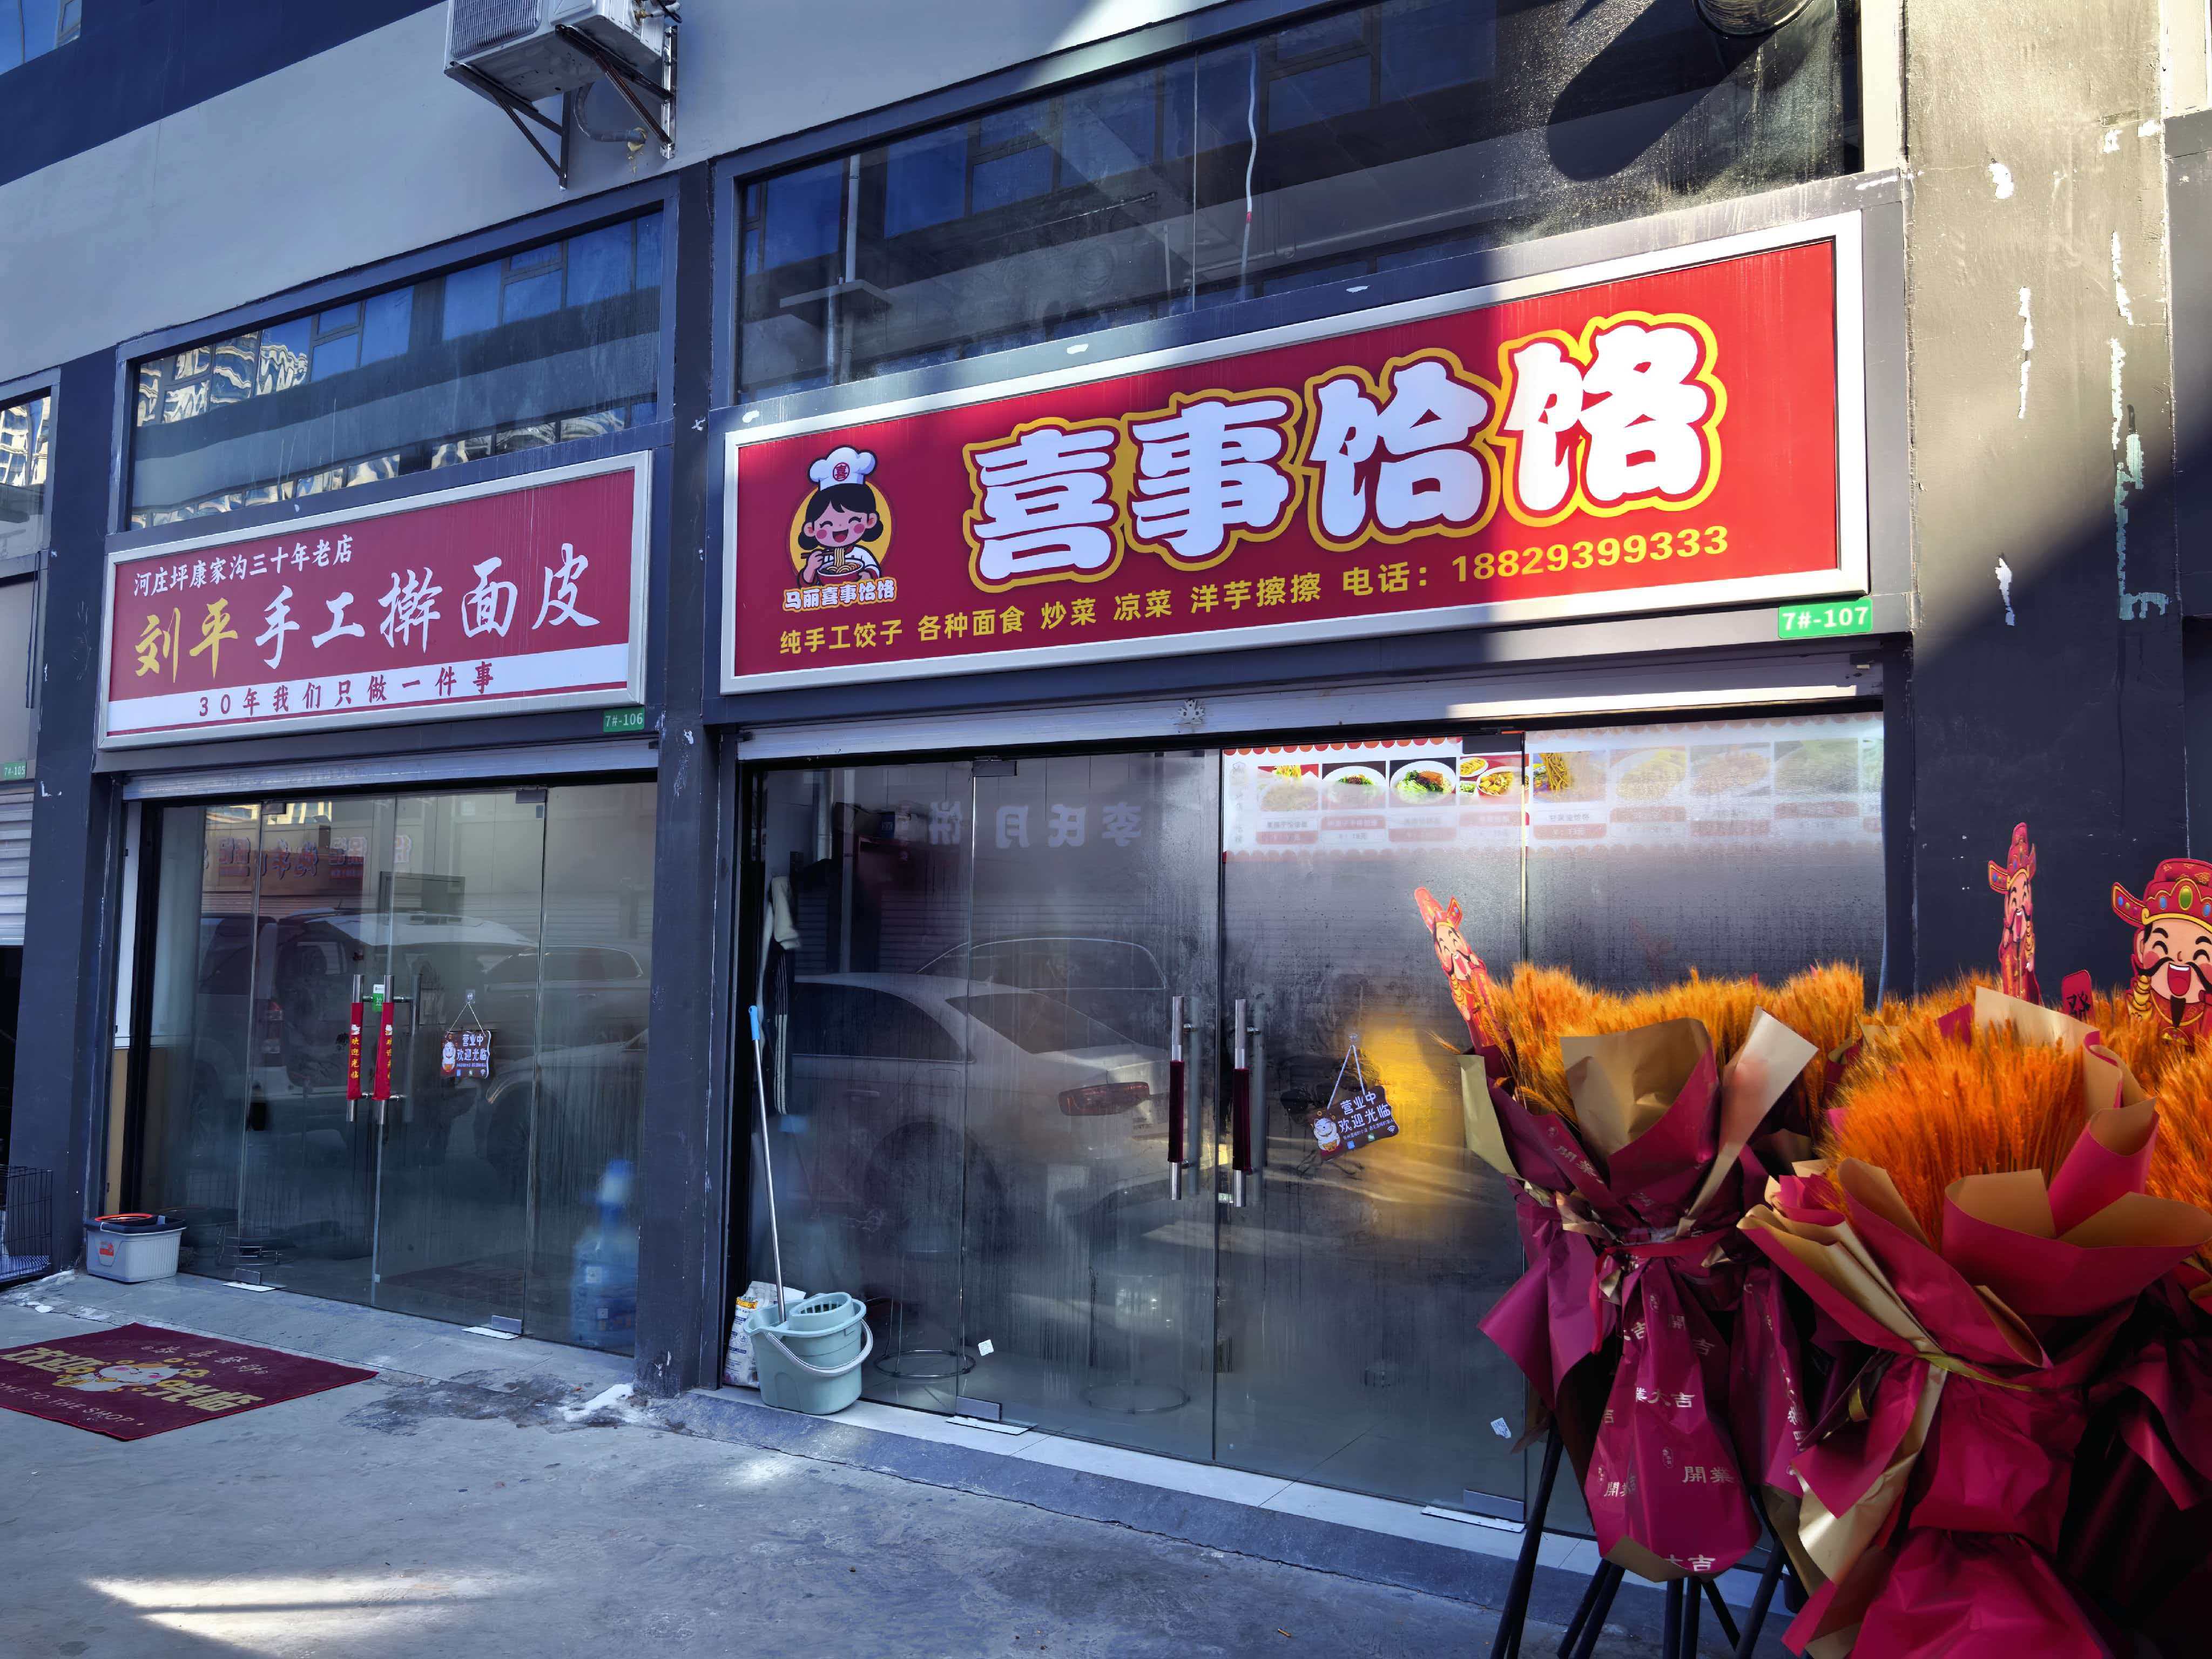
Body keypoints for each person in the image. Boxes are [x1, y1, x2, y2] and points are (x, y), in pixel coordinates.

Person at [796, 446, 887, 585]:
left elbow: (874, 571)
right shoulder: (823, 559)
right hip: (828, 595)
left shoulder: (861, 554)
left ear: (870, 521)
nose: (839, 527)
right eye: (827, 525)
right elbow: (806, 585)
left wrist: (868, 575)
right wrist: (811, 567)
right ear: (811, 529)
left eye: (853, 521)